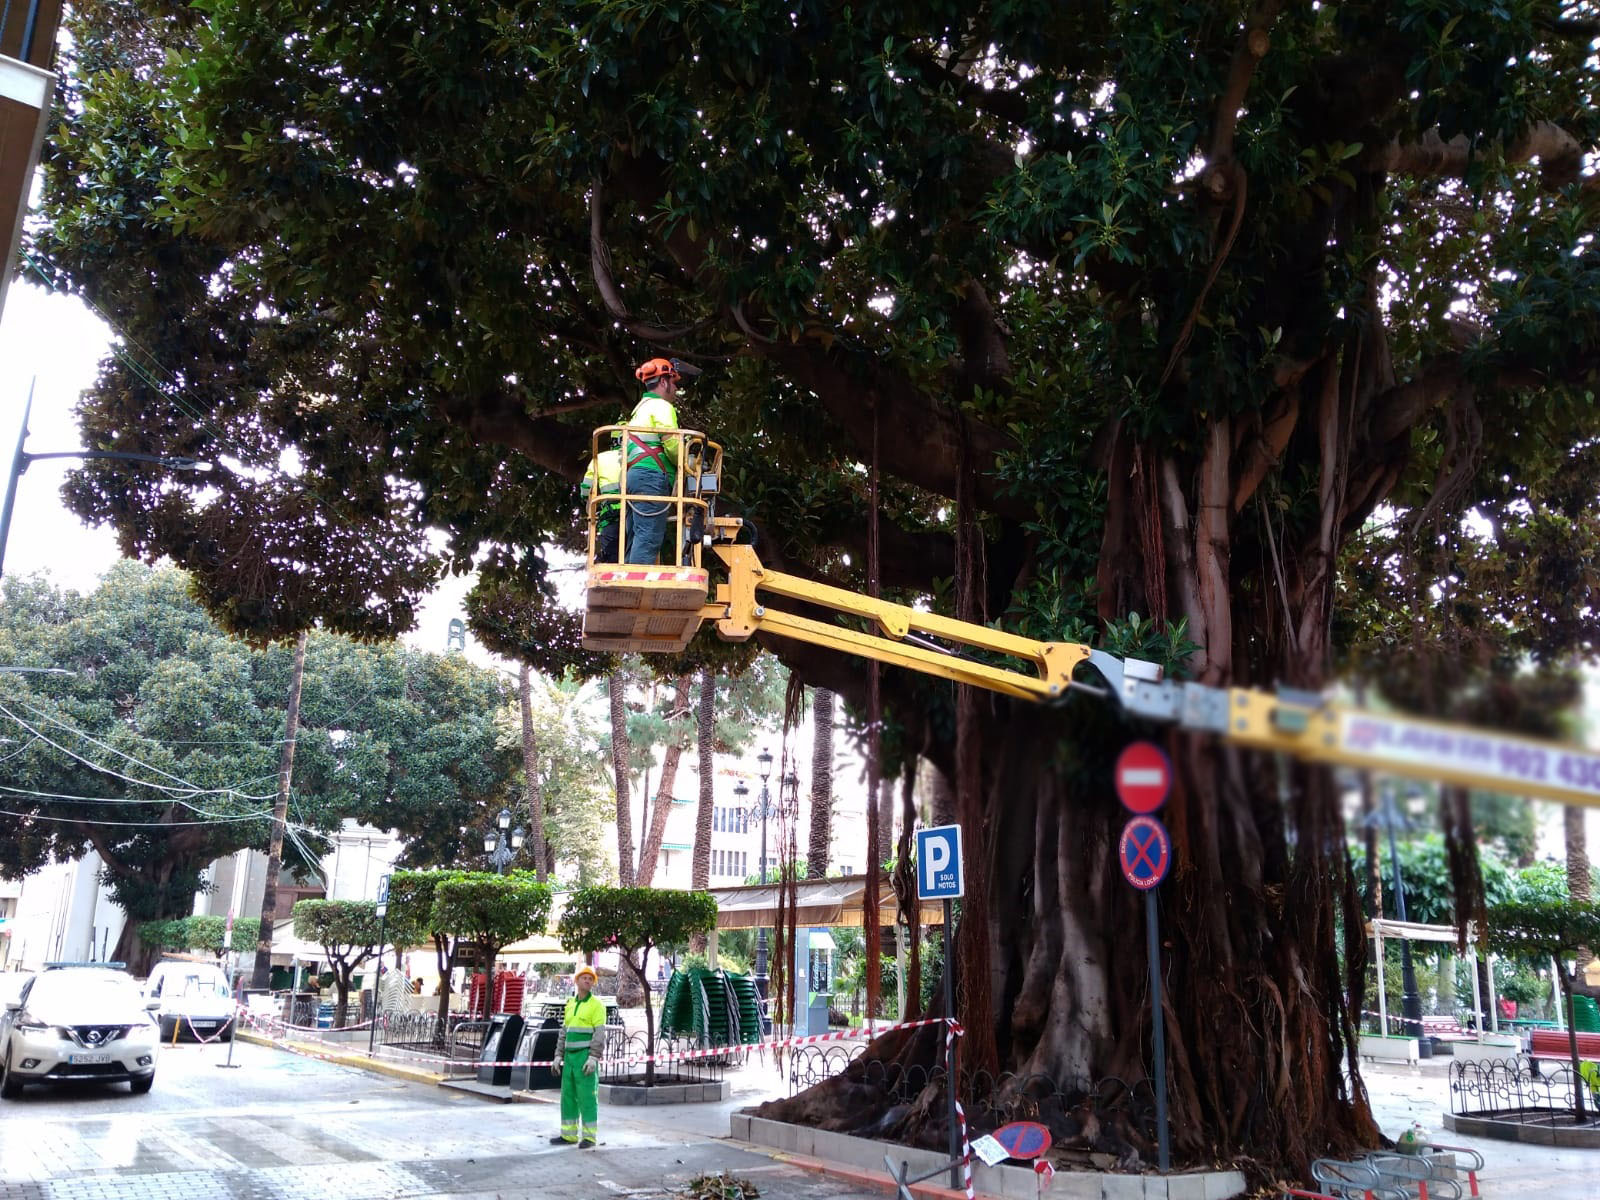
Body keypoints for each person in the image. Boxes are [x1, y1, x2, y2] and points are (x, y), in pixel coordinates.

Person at [622, 357, 699, 564]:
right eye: (674, 382)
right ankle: (636, 586)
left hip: (633, 479)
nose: (675, 388)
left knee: (635, 536)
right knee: (648, 537)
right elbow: (673, 446)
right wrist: (689, 463)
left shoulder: (639, 410)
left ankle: (629, 579)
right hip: (650, 478)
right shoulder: (662, 407)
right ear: (664, 382)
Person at [549, 964, 607, 1148]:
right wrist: (558, 1056)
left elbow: (599, 1034)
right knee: (568, 1097)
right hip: (570, 1058)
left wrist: (593, 1057)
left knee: (587, 1098)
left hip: (584, 1058)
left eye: (591, 979)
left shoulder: (596, 1005)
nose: (588, 980)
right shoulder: (570, 1004)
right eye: (585, 977)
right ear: (577, 980)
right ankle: (569, 1135)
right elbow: (564, 1032)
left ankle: (589, 1137)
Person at [580, 447, 624, 562]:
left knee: (612, 559)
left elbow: (586, 490)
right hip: (636, 513)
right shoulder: (640, 454)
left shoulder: (600, 458)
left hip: (611, 516)